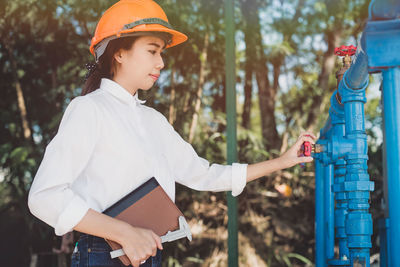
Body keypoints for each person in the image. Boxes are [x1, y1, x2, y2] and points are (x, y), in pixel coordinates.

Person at [27, 1, 316, 266]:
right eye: (152, 51)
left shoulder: (154, 121)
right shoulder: (89, 109)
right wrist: (124, 232)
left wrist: (281, 162)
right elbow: (44, 197)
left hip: (150, 253)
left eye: (161, 53)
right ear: (119, 53)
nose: (161, 63)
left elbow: (206, 174)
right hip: (105, 254)